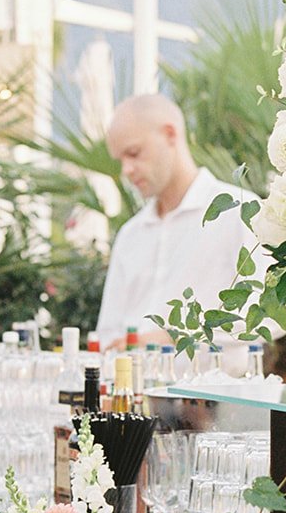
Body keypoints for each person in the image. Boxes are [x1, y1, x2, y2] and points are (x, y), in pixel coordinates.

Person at [95, 94, 266, 351]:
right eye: (121, 160)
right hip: (130, 387)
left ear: (170, 134)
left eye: (134, 153)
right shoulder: (130, 234)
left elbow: (269, 313)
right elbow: (108, 332)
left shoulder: (239, 209)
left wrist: (171, 338)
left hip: (214, 388)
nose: (127, 170)